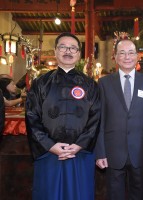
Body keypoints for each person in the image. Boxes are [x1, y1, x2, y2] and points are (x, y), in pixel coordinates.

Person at [25, 32, 101, 200]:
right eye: (63, 47)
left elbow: (96, 118)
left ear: (79, 54)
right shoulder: (41, 83)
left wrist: (80, 144)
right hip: (49, 153)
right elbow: (32, 117)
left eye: (73, 48)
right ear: (55, 51)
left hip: (79, 154)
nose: (68, 51)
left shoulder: (90, 85)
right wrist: (50, 145)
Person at [94, 39, 143, 200]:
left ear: (137, 56)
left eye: (131, 53)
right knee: (114, 195)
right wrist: (100, 152)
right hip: (113, 151)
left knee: (139, 194)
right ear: (115, 56)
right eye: (122, 53)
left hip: (140, 150)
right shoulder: (104, 83)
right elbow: (100, 120)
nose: (127, 57)